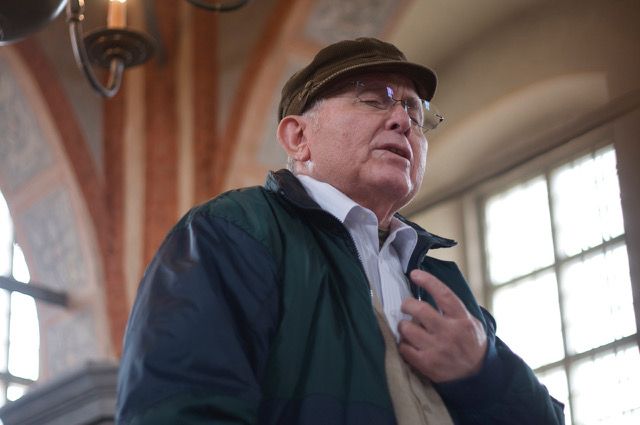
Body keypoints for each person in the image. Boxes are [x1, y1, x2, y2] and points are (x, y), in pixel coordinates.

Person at [116, 37, 565, 425]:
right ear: (297, 138)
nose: (403, 121)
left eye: (413, 108)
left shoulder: (443, 285)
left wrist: (484, 373)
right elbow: (179, 408)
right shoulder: (233, 233)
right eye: (374, 98)